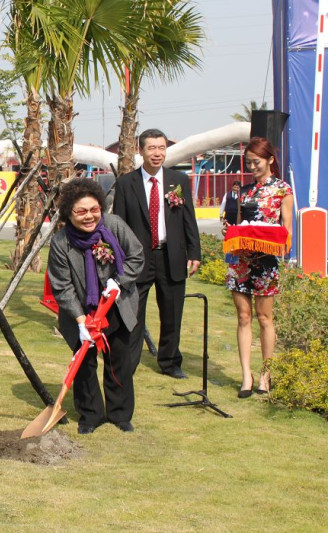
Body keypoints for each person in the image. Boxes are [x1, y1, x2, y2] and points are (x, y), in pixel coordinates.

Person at [48, 178, 144, 434]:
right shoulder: (60, 243)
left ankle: (120, 414)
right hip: (80, 313)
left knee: (119, 361)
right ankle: (90, 416)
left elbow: (136, 255)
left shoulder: (114, 226)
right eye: (81, 211)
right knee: (84, 366)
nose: (89, 216)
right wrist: (81, 321)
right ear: (69, 213)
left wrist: (120, 282)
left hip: (117, 305)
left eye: (94, 209)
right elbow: (62, 287)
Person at [112, 128, 201, 379]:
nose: (157, 153)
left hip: (171, 255)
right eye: (151, 148)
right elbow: (118, 225)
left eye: (161, 148)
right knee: (133, 313)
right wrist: (120, 259)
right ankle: (129, 363)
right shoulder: (126, 183)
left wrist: (194, 252)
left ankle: (170, 361)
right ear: (141, 151)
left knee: (172, 312)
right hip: (138, 259)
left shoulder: (178, 181)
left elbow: (188, 221)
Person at [223, 137, 293, 398]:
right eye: (249, 162)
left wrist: (270, 237)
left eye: (257, 162)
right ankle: (245, 376)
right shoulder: (243, 191)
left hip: (266, 262)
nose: (252, 166)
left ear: (270, 160)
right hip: (240, 262)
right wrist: (231, 230)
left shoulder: (283, 190)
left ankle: (265, 374)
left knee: (265, 319)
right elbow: (237, 222)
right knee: (243, 317)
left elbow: (287, 233)